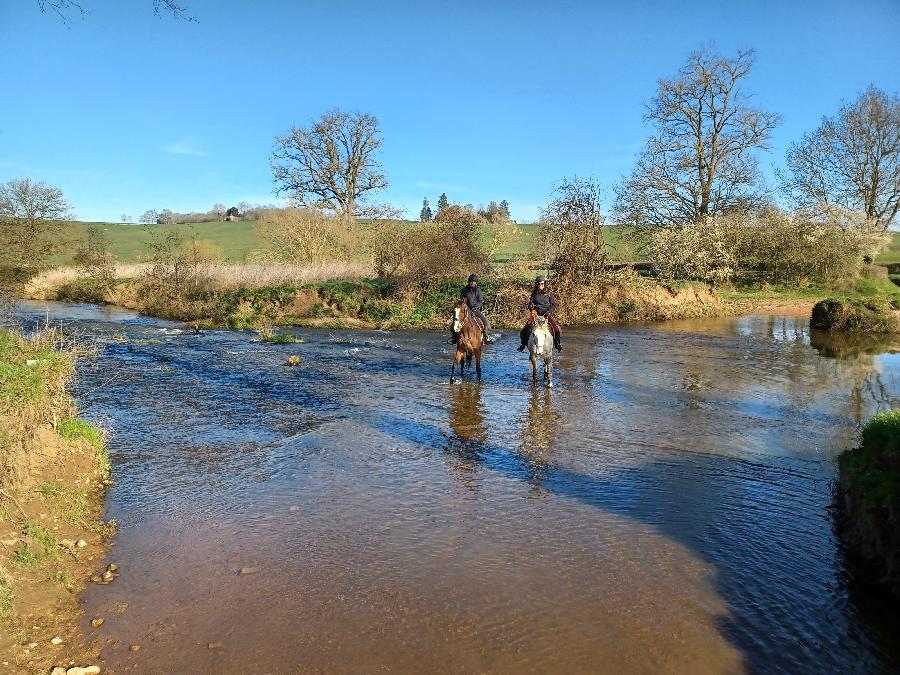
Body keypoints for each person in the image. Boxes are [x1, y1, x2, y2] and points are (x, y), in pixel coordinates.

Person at [518, 275, 562, 352]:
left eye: (542, 283)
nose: (540, 285)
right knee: (525, 328)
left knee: (556, 328)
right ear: (536, 284)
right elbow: (529, 304)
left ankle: (557, 344)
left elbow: (553, 305)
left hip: (546, 314)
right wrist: (531, 309)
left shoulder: (549, 293)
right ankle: (523, 344)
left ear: (544, 284)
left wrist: (549, 312)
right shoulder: (534, 294)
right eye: (538, 284)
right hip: (536, 314)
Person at [448, 274, 494, 344]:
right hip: (465, 309)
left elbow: (481, 301)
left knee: (485, 322)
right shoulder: (464, 290)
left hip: (475, 309)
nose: (472, 283)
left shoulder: (478, 290)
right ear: (469, 282)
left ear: (476, 282)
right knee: (453, 324)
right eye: (471, 281)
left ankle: (486, 337)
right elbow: (461, 300)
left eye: (474, 281)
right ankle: (454, 338)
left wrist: (477, 306)